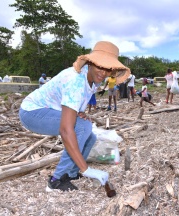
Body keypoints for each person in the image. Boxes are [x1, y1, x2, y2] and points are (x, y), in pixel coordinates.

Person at [19, 41, 130, 192]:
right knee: (83, 127)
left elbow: (69, 100)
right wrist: (87, 170)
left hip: (49, 110)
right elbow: (66, 130)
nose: (103, 73)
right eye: (99, 66)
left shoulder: (92, 79)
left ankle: (70, 173)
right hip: (32, 112)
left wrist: (79, 111)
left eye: (108, 69)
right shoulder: (76, 80)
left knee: (90, 137)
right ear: (90, 63)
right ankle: (57, 180)